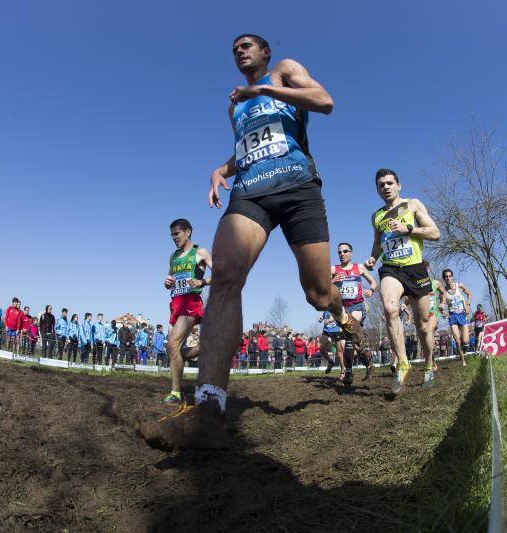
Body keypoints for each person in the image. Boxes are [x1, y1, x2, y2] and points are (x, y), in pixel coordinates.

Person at [152, 34, 364, 448]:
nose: (239, 50)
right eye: (233, 48)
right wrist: (220, 170)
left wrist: (266, 88)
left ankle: (340, 312)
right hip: (250, 193)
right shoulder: (235, 106)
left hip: (299, 188)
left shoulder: (283, 71)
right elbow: (246, 151)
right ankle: (210, 408)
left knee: (318, 294)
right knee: (227, 275)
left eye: (247, 44)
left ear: (265, 53)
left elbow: (325, 101)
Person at [365, 168, 441, 395]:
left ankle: (428, 363)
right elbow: (378, 243)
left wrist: (409, 228)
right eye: (381, 185)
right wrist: (373, 257)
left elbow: (435, 233)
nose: (385, 187)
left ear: (399, 185)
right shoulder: (376, 216)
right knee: (390, 308)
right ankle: (403, 363)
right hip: (391, 269)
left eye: (389, 183)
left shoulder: (413, 205)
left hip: (415, 269)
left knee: (424, 327)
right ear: (377, 190)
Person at [162, 219, 212, 404]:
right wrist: (167, 283)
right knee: (173, 350)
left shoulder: (200, 252)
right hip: (175, 305)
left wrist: (202, 282)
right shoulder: (173, 256)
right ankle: (205, 348)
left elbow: (221, 272)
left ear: (188, 232)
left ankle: (175, 393)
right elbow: (171, 280)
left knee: (172, 344)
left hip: (191, 303)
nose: (174, 238)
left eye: (177, 234)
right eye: (172, 235)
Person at [332, 242, 378, 384]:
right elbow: (322, 286)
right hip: (343, 309)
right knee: (352, 344)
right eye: (339, 252)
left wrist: (371, 290)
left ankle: (349, 373)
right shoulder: (334, 269)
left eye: (345, 251)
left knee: (349, 336)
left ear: (351, 253)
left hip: (358, 307)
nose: (342, 254)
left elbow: (373, 282)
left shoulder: (359, 268)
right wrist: (332, 281)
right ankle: (368, 364)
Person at [442, 269, 472, 366]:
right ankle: (463, 361)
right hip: (453, 317)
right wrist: (442, 312)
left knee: (466, 341)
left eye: (450, 276)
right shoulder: (443, 292)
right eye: (446, 277)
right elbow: (442, 304)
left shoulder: (460, 286)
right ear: (444, 279)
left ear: (452, 277)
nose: (448, 278)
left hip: (462, 316)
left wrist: (468, 305)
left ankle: (465, 347)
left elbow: (469, 294)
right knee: (457, 340)